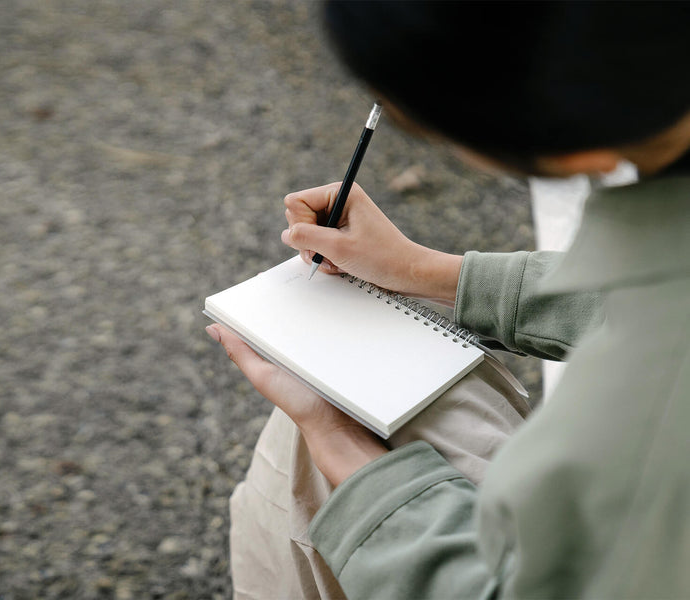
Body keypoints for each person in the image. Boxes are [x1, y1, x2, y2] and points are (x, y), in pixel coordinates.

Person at [205, 2, 690, 599]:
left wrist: (339, 443)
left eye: (423, 127)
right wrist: (422, 270)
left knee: (322, 432)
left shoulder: (653, 404)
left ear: (571, 158)